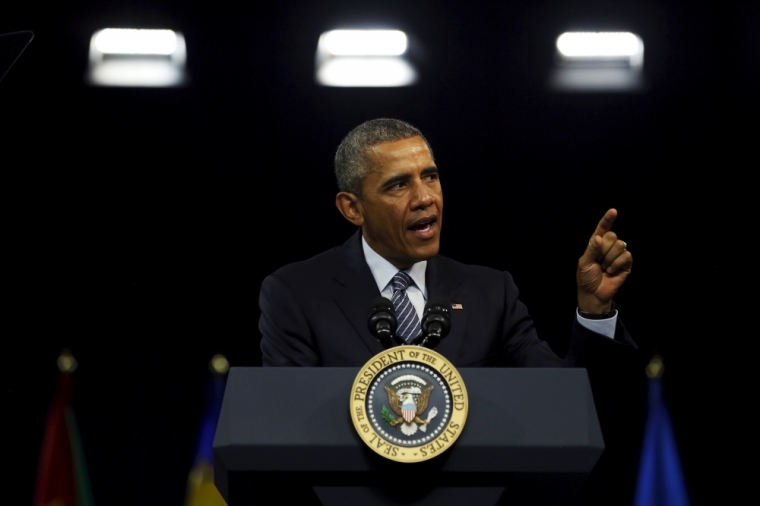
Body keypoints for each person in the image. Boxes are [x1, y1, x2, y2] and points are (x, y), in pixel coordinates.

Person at [259, 118, 636, 368]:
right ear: (352, 208)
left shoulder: (490, 293)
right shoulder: (297, 294)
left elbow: (564, 406)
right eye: (399, 184)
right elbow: (291, 423)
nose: (425, 198)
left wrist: (595, 311)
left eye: (431, 177)